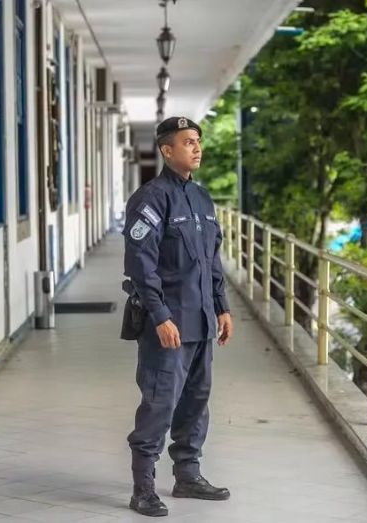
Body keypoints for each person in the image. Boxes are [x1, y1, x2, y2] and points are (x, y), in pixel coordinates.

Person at [121, 116, 233, 517]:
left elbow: (211, 261)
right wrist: (160, 316)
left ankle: (187, 475)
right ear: (167, 151)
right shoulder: (151, 199)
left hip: (201, 321)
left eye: (198, 141)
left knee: (196, 402)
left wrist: (221, 306)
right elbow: (141, 265)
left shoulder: (202, 199)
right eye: (188, 142)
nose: (196, 147)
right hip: (168, 325)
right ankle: (143, 487)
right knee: (159, 403)